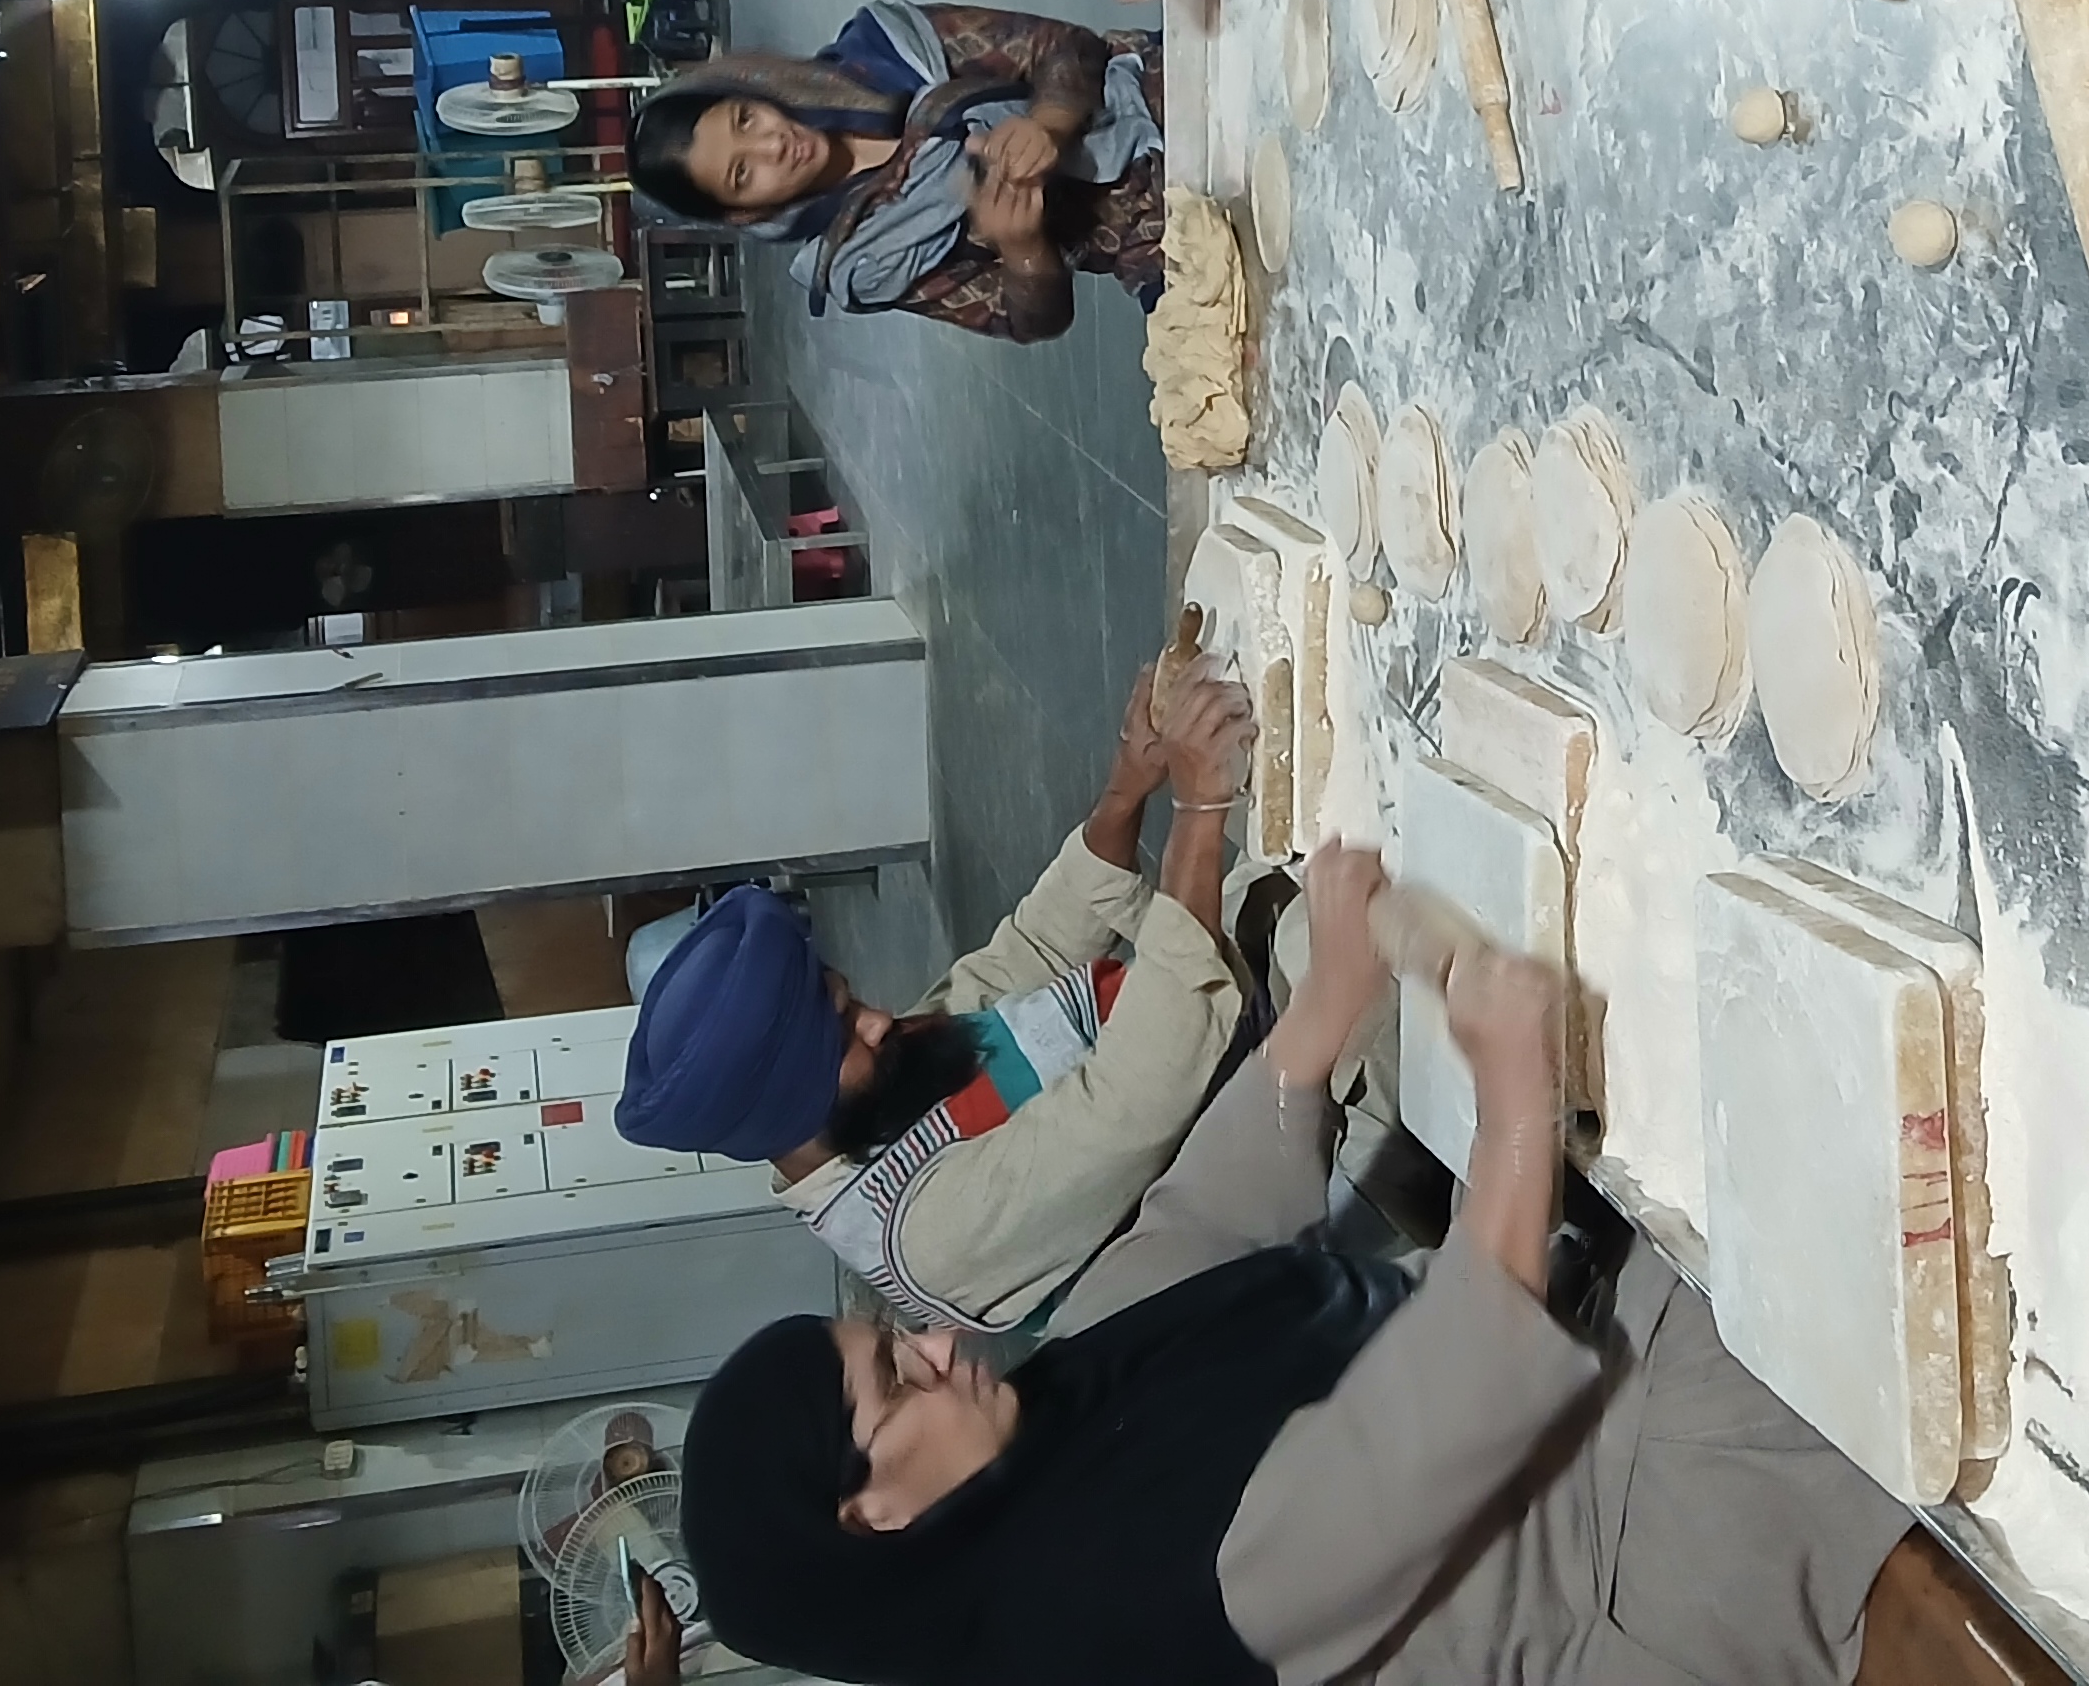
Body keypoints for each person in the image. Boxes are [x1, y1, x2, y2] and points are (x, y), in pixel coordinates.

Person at [659, 844, 1915, 1686]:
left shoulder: (1041, 1428)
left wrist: (1323, 1011)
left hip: (1550, 1390)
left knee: (1702, 1103)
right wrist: (1512, 1104)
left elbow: (1191, 1233)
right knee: (1828, 1194)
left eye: (899, 1340)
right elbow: (1434, 1424)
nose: (939, 1345)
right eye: (898, 1377)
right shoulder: (1118, 1607)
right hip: (1619, 1565)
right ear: (871, 1515)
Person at [619, 666, 1258, 1332]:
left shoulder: (881, 1082)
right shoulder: (927, 1235)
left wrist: (1129, 783)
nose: (878, 1020)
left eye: (848, 1003)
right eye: (844, 1034)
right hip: (1269, 1138)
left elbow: (1035, 947)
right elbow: (1140, 1092)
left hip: (1221, 1003)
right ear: (793, 1108)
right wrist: (1198, 811)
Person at [627, 0, 1162, 343]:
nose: (773, 145)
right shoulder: (864, 260)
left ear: (748, 88)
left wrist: (1048, 123)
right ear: (741, 213)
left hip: (1149, 88)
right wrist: (1022, 247)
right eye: (743, 174)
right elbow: (1031, 321)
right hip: (1147, 241)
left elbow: (1065, 45)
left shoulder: (888, 49)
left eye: (745, 118)